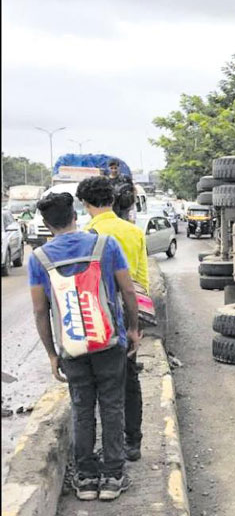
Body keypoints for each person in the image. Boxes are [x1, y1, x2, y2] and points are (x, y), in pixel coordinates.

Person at [28, 192, 140, 501]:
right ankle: (114, 476)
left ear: (47, 224)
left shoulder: (39, 259)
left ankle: (87, 479)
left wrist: (52, 354)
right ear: (75, 215)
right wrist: (132, 329)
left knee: (81, 408)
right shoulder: (105, 245)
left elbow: (40, 311)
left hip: (72, 347)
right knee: (113, 406)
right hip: (109, 341)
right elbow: (128, 291)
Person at [77, 176, 148, 462]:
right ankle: (133, 443)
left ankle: (103, 449)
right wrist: (136, 322)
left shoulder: (87, 234)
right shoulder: (133, 231)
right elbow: (141, 279)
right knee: (130, 381)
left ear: (85, 204)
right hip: (130, 311)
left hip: (98, 317)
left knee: (99, 387)